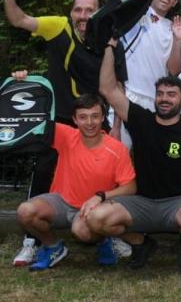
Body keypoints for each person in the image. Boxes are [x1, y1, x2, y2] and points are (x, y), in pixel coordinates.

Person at [1, 0, 127, 265]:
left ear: (99, 12)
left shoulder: (109, 40)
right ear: (71, 12)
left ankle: (108, 234)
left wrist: (117, 125)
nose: (83, 16)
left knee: (107, 179)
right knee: (43, 173)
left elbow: (117, 87)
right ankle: (33, 241)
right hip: (58, 121)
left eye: (90, 10)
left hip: (96, 120)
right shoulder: (57, 26)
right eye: (78, 9)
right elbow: (19, 19)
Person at [87, 41, 181, 270]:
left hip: (177, 203)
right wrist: (107, 48)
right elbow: (108, 89)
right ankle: (141, 243)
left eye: (172, 94)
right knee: (96, 219)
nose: (165, 98)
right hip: (141, 202)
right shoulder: (140, 120)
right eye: (161, 94)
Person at [14, 91, 137, 271]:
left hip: (93, 209)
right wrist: (22, 86)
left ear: (103, 117)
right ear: (74, 119)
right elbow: (30, 117)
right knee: (25, 211)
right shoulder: (65, 136)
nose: (89, 123)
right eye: (83, 117)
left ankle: (105, 240)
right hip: (62, 202)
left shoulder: (117, 149)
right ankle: (54, 247)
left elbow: (131, 187)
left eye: (95, 116)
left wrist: (101, 196)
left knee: (82, 232)